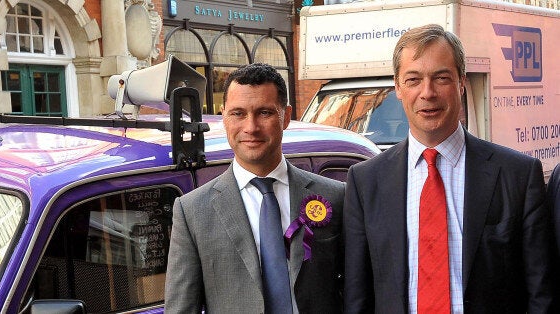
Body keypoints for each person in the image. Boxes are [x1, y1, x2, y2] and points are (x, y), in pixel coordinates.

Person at [343, 24, 555, 313]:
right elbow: (358, 297)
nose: (427, 92)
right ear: (398, 88)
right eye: (413, 80)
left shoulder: (518, 175)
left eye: (441, 78)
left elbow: (541, 292)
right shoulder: (365, 182)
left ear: (461, 82)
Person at [165, 63, 344, 313]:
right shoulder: (192, 211)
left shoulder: (336, 197)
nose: (251, 127)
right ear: (224, 116)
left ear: (286, 116)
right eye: (238, 113)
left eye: (264, 113)